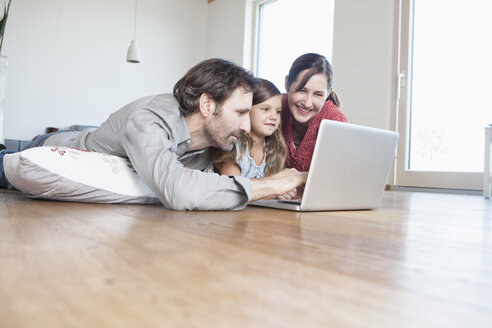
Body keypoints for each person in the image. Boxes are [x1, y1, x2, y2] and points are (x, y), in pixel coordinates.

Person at [0, 58, 307, 210]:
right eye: (240, 113)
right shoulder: (148, 118)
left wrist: (280, 189)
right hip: (58, 146)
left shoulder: (214, 139)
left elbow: (213, 187)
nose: (245, 126)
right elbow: (178, 190)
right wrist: (269, 184)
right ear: (206, 103)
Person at [282, 53, 347, 172]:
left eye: (318, 94)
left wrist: (299, 179)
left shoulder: (334, 119)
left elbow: (337, 174)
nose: (307, 103)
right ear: (287, 84)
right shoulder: (276, 107)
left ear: (328, 93)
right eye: (301, 90)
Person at [213, 78, 286, 179]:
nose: (274, 116)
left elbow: (270, 186)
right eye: (265, 109)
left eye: (278, 111)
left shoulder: (272, 148)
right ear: (247, 109)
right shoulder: (232, 146)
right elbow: (233, 187)